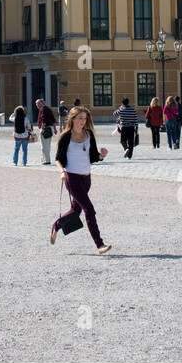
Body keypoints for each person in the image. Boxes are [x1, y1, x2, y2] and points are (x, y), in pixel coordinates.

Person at [49, 104, 111, 254]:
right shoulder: (66, 136)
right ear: (73, 119)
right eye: (80, 118)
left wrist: (102, 155)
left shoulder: (89, 134)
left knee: (75, 211)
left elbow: (93, 157)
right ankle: (100, 244)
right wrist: (62, 172)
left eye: (85, 118)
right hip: (72, 178)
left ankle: (56, 225)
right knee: (89, 209)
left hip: (86, 179)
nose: (83, 121)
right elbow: (58, 159)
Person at [35, 99, 56, 165]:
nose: (37, 105)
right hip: (50, 128)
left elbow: (44, 119)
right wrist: (55, 129)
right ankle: (46, 159)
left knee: (44, 146)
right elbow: (53, 119)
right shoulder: (48, 109)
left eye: (38, 103)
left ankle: (46, 160)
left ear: (42, 103)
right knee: (47, 145)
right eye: (36, 104)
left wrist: (42, 128)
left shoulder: (43, 109)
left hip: (46, 129)